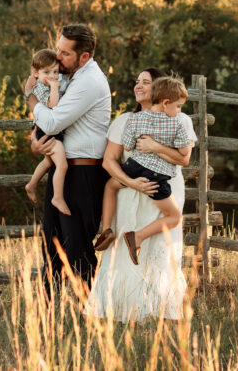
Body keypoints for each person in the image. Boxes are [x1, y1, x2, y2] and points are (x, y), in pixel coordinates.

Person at [86, 68, 195, 322]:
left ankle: (159, 308)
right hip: (132, 190)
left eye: (145, 82)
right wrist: (132, 183)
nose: (138, 86)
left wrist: (154, 147)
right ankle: (122, 307)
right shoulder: (126, 119)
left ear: (160, 89)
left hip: (163, 188)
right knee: (126, 250)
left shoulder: (181, 119)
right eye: (137, 82)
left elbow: (184, 158)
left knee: (161, 249)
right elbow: (110, 160)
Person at [30, 24, 112, 293]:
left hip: (84, 175)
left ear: (84, 56)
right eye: (58, 49)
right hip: (63, 170)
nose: (57, 57)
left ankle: (92, 313)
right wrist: (36, 140)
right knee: (51, 246)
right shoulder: (69, 76)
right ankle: (45, 315)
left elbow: (52, 122)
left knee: (78, 250)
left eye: (65, 53)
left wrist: (32, 102)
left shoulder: (90, 81)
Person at [93, 77, 190, 264]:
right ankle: (137, 237)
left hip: (134, 168)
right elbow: (184, 153)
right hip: (155, 175)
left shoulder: (135, 118)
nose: (179, 111)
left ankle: (106, 229)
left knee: (110, 186)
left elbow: (128, 146)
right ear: (166, 103)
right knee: (174, 217)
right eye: (178, 106)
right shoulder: (177, 123)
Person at [23, 49, 71, 215]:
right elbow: (52, 105)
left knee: (49, 162)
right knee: (62, 164)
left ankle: (31, 184)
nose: (52, 76)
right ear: (36, 73)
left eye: (55, 72)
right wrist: (54, 87)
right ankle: (57, 197)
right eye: (47, 72)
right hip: (45, 131)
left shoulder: (47, 84)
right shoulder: (41, 88)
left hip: (48, 130)